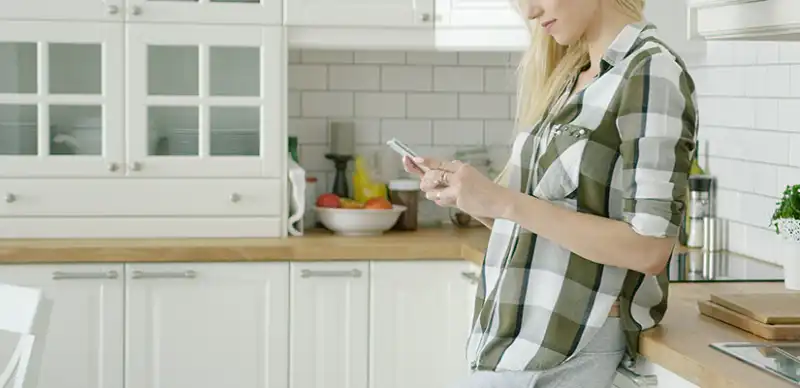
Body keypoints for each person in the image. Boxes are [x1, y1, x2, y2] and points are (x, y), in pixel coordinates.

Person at [401, 0, 698, 387]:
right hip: (510, 344)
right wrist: (472, 196)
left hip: (568, 348)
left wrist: (504, 201)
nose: (530, 11)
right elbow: (544, 229)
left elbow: (650, 249)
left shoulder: (651, 72)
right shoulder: (573, 75)